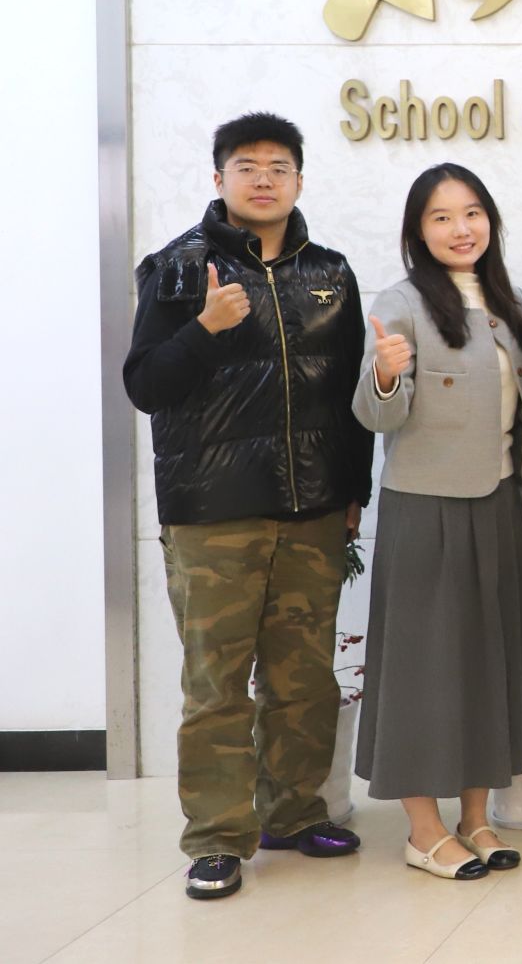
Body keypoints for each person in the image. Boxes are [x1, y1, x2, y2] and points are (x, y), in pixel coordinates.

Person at [123, 112, 373, 901]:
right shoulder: (175, 270)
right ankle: (216, 839)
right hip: (213, 515)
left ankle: (293, 814)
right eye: (247, 166)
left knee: (304, 680)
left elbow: (350, 395)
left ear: (299, 179)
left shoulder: (330, 273)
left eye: (278, 166)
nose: (263, 179)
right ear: (219, 177)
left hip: (313, 509)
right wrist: (205, 328)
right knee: (217, 684)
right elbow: (145, 385)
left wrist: (354, 491)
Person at [351, 164, 522, 881]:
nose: (460, 229)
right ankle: (423, 829)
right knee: (422, 668)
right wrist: (384, 373)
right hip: (426, 508)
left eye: (472, 213)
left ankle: (475, 817)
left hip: (499, 501)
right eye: (441, 217)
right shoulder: (400, 304)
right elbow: (376, 417)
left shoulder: (510, 302)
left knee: (486, 662)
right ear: (417, 231)